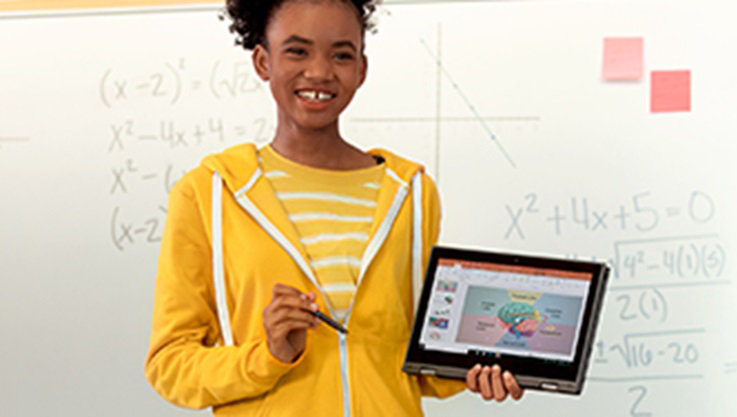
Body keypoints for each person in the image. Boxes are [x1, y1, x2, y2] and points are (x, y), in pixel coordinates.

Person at [145, 0, 523, 415]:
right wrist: (268, 355)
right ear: (262, 61)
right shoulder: (209, 193)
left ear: (362, 69)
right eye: (297, 50)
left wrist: (484, 363)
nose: (320, 72)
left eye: (341, 54)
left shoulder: (412, 192)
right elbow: (171, 365)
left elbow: (411, 361)